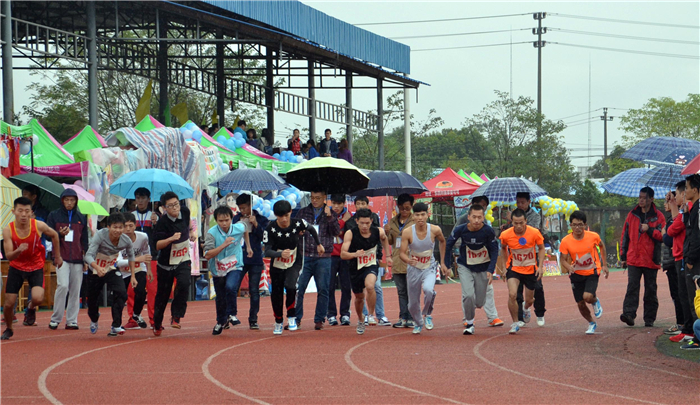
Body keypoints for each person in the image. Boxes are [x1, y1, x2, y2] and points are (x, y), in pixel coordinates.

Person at [1, 197, 61, 340]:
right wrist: (18, 250)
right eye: (20, 211)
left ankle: (30, 307)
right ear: (14, 211)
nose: (23, 214)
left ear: (31, 212)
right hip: (16, 267)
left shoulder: (38, 225)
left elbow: (54, 235)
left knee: (38, 298)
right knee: (8, 304)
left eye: (27, 211)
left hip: (36, 266)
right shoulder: (8, 230)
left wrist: (57, 256)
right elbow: (9, 256)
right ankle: (9, 328)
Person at [264, 200, 321, 335]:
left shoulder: (298, 223)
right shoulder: (270, 229)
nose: (284, 219)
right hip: (277, 263)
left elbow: (311, 229)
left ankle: (291, 316)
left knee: (291, 286)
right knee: (276, 292)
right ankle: (278, 321)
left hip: (294, 261)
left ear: (290, 212)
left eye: (286, 215)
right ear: (276, 215)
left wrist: (318, 244)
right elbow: (266, 251)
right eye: (280, 216)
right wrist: (279, 254)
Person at [445, 204, 498, 335]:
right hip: (465, 266)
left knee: (479, 302)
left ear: (483, 218)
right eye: (474, 217)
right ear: (468, 217)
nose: (476, 220)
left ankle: (472, 308)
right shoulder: (460, 229)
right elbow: (448, 245)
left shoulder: (488, 231)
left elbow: (494, 251)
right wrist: (447, 265)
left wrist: (490, 270)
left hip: (483, 267)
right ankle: (469, 323)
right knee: (468, 295)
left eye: (479, 217)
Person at [454, 196, 504, 327]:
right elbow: (455, 237)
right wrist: (464, 246)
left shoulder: (485, 221)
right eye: (479, 204)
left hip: (483, 260)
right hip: (468, 261)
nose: (481, 207)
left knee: (488, 288)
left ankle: (492, 317)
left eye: (484, 205)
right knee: (468, 292)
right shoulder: (463, 219)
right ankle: (467, 318)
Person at [84, 213, 137, 337]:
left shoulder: (126, 240)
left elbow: (131, 257)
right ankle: (94, 318)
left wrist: (133, 276)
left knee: (122, 293)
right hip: (95, 269)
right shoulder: (100, 235)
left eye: (120, 227)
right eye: (115, 227)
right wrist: (97, 268)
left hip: (111, 268)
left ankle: (116, 325)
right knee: (92, 299)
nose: (117, 230)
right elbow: (88, 256)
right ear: (108, 227)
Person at [399, 202, 448, 334]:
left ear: (427, 215)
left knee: (428, 290)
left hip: (429, 267)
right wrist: (408, 260)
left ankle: (428, 314)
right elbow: (402, 253)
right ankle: (418, 322)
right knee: (412, 304)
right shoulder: (407, 232)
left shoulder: (435, 230)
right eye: (417, 215)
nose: (420, 218)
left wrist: (443, 262)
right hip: (414, 269)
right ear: (413, 216)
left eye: (422, 214)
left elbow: (443, 241)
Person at [340, 208, 392, 335]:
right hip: (355, 267)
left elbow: (384, 238)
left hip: (371, 264)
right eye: (362, 223)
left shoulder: (378, 231)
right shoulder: (350, 233)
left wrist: (388, 256)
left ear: (371, 221)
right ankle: (360, 319)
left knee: (370, 286)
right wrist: (355, 254)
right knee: (359, 297)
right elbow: (343, 254)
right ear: (357, 221)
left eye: (367, 223)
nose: (364, 226)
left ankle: (371, 314)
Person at [619, 186, 665, 327]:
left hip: (650, 259)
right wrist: (623, 256)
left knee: (650, 289)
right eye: (640, 197)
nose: (641, 200)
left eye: (644, 198)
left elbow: (662, 236)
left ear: (651, 199)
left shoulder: (659, 216)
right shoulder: (632, 214)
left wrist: (649, 229)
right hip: (634, 258)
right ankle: (629, 314)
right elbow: (625, 235)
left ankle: (649, 318)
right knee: (632, 287)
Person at [152, 192, 196, 336]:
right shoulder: (162, 223)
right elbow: (157, 245)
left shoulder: (185, 211)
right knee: (162, 296)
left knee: (184, 283)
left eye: (176, 204)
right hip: (166, 264)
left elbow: (187, 224)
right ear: (164, 208)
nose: (175, 208)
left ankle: (176, 316)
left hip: (183, 259)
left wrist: (191, 232)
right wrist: (170, 239)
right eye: (171, 206)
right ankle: (157, 323)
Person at [496, 208, 545, 334]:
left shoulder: (534, 233)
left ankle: (526, 308)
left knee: (529, 300)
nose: (518, 226)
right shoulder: (506, 234)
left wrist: (540, 266)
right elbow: (503, 248)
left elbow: (541, 248)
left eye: (521, 223)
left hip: (530, 269)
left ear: (526, 221)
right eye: (515, 223)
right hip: (514, 268)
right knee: (512, 294)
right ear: (511, 222)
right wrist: (505, 267)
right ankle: (515, 323)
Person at [295, 191, 339, 330]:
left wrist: (329, 217)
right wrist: (298, 232)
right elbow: (294, 229)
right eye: (312, 198)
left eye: (318, 198)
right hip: (305, 255)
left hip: (323, 257)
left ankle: (319, 319)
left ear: (324, 198)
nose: (314, 200)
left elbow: (336, 232)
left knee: (323, 289)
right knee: (298, 288)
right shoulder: (302, 212)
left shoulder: (331, 213)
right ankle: (296, 318)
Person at [559, 211, 608, 334]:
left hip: (592, 270)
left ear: (585, 225)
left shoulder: (593, 236)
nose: (577, 228)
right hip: (576, 273)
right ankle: (591, 322)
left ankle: (594, 300)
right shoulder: (565, 241)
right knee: (580, 303)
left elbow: (602, 246)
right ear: (570, 225)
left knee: (587, 297)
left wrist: (605, 265)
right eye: (575, 225)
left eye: (580, 225)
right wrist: (569, 267)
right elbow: (562, 259)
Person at [204, 206, 250, 335]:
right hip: (218, 268)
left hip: (234, 265)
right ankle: (220, 321)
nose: (224, 223)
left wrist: (248, 246)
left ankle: (232, 314)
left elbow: (245, 228)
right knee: (220, 296)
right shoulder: (211, 233)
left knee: (231, 286)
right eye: (221, 221)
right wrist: (224, 244)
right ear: (216, 220)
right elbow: (207, 255)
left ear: (231, 219)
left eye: (227, 220)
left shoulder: (238, 228)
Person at [47, 189, 88, 330]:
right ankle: (56, 318)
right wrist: (58, 234)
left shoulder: (81, 217)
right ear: (62, 200)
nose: (69, 203)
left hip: (78, 258)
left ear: (76, 201)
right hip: (61, 257)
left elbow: (85, 240)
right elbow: (47, 236)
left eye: (72, 200)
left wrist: (86, 260)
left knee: (75, 290)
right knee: (63, 286)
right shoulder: (54, 215)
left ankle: (72, 320)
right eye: (66, 200)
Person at [230, 193, 266, 329]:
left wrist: (255, 224)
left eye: (244, 208)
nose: (242, 211)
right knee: (233, 287)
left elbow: (265, 237)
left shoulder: (261, 218)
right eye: (240, 208)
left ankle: (253, 319)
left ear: (251, 206)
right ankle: (230, 315)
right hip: (239, 258)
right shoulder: (235, 219)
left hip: (255, 259)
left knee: (254, 290)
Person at [666, 181, 694, 342]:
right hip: (680, 256)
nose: (675, 197)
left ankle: (690, 329)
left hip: (684, 256)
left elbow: (671, 230)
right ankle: (687, 328)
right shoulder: (685, 212)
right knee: (683, 294)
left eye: (676, 194)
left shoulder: (689, 211)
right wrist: (672, 204)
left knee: (686, 295)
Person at [514, 192, 547, 327]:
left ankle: (540, 313)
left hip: (532, 255)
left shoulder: (535, 215)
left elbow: (530, 232)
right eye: (518, 202)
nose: (520, 205)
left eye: (522, 202)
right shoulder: (514, 214)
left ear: (529, 202)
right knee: (517, 288)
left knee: (537, 286)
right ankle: (520, 317)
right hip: (517, 256)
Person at [385, 193, 415, 328]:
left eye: (407, 208)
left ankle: (412, 317)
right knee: (401, 291)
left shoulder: (415, 221)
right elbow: (390, 241)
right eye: (402, 208)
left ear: (411, 207)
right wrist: (387, 233)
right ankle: (403, 317)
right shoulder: (392, 222)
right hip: (397, 259)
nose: (404, 211)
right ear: (397, 207)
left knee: (411, 291)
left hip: (411, 259)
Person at [131, 187, 160, 327]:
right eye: (138, 198)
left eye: (143, 198)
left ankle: (154, 320)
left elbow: (160, 234)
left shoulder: (155, 216)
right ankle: (132, 319)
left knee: (152, 290)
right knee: (132, 290)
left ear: (149, 200)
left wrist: (156, 223)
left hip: (151, 256)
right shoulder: (130, 216)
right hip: (134, 257)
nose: (140, 201)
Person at [118, 213, 152, 330]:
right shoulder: (117, 239)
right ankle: (116, 323)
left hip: (139, 268)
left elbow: (147, 252)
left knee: (141, 291)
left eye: (130, 226)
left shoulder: (143, 237)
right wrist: (137, 259)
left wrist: (149, 269)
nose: (128, 229)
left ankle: (136, 314)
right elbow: (118, 262)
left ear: (135, 226)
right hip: (124, 271)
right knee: (120, 296)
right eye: (125, 226)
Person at [680, 174, 700, 347]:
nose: (685, 191)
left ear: (695, 189)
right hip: (692, 257)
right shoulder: (694, 210)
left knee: (696, 297)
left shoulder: (699, 209)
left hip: (696, 260)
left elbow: (697, 236)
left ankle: (697, 336)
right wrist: (686, 215)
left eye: (686, 188)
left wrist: (691, 258)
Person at [327, 194, 353, 327]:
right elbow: (332, 231)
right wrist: (342, 222)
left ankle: (345, 314)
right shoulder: (327, 215)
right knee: (329, 286)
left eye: (339, 204)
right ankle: (331, 314)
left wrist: (344, 223)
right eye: (334, 203)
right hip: (330, 255)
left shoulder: (350, 216)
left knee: (346, 286)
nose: (336, 206)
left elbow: (351, 233)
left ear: (344, 203)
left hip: (345, 255)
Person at [661, 192, 684, 335]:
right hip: (671, 262)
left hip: (675, 261)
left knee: (679, 294)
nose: (665, 204)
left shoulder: (676, 219)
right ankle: (682, 323)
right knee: (676, 294)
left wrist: (664, 233)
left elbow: (668, 240)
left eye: (668, 201)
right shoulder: (670, 220)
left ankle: (681, 323)